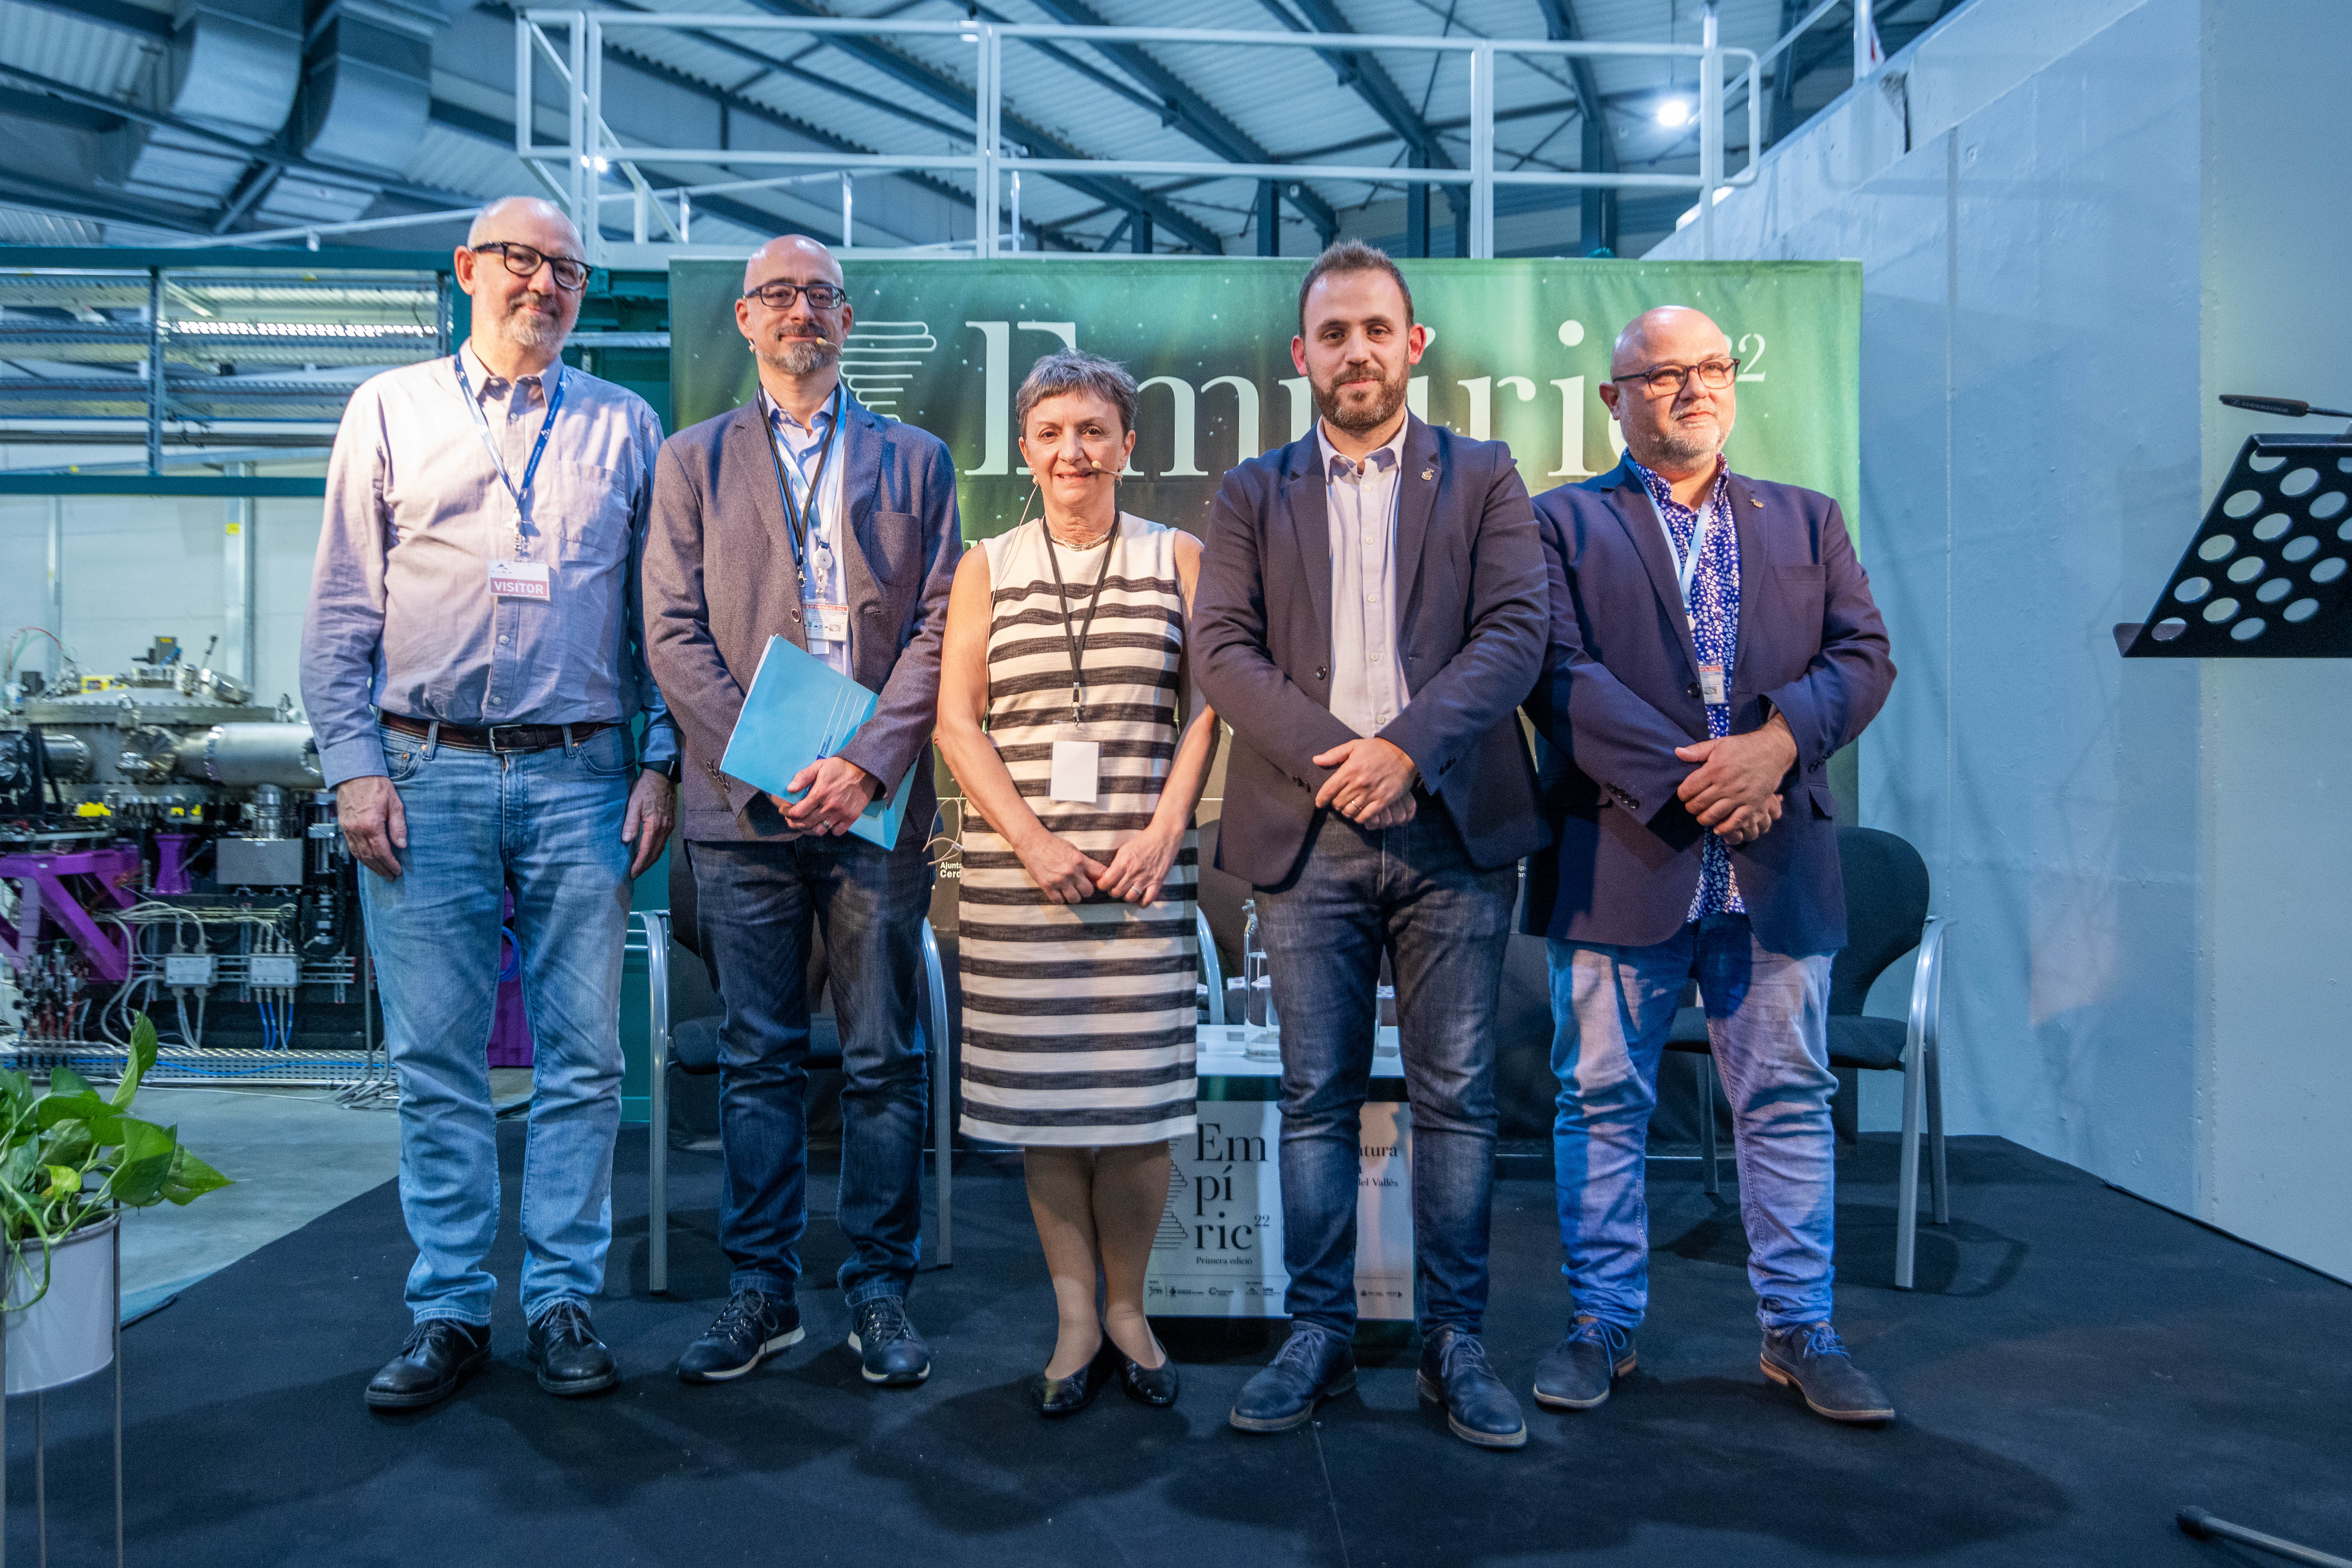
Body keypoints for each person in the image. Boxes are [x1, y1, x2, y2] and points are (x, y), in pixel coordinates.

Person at [303, 196, 678, 1411]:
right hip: (424, 772)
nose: (546, 283)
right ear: (468, 268)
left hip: (581, 773)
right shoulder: (390, 410)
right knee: (437, 1058)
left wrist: (660, 760)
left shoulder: (627, 425)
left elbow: (653, 626)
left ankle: (563, 1295)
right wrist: (354, 764)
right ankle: (452, 1304)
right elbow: (339, 614)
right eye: (522, 260)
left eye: (567, 267)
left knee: (584, 1058)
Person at [1193, 241, 1550, 1450]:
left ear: (1414, 345)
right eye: (1332, 333)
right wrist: (1339, 760)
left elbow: (1514, 634)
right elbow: (1223, 654)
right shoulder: (1252, 492)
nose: (1355, 351)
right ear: (1302, 357)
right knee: (1312, 1101)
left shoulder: (1485, 476)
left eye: (1375, 329)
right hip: (1307, 836)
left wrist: (1403, 748)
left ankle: (1455, 1343)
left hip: (1453, 825)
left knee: (1456, 1101)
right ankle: (1321, 1335)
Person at [1520, 306, 1898, 1424]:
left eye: (1715, 367)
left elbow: (1863, 658)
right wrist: (1707, 779)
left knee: (1786, 1099)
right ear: (1615, 398)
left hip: (1775, 866)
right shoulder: (1560, 524)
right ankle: (1602, 1325)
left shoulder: (1808, 519)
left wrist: (1776, 745)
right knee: (1600, 1102)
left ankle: (1800, 1329)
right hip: (1623, 855)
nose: (1695, 387)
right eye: (1666, 372)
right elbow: (1555, 672)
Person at [643, 235, 961, 1390]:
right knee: (758, 1057)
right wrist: (768, 762)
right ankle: (762, 1291)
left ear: (847, 317)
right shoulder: (690, 462)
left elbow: (939, 630)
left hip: (872, 806)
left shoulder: (918, 460)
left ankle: (877, 1287)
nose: (800, 312)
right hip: (746, 808)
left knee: (883, 1058)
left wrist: (869, 763)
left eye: (820, 295)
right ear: (744, 319)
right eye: (779, 295)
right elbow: (670, 633)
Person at [935, 351, 1220, 1418]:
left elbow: (1204, 709)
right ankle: (1070, 1320)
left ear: (1128, 442)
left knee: (1138, 1110)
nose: (1073, 451)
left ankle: (1131, 1311)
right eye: (1052, 431)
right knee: (1049, 1112)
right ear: (1026, 446)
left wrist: (1164, 828)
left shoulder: (1179, 555)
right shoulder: (987, 566)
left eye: (1094, 430)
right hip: (1025, 879)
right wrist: (1030, 843)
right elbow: (958, 721)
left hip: (1145, 871)